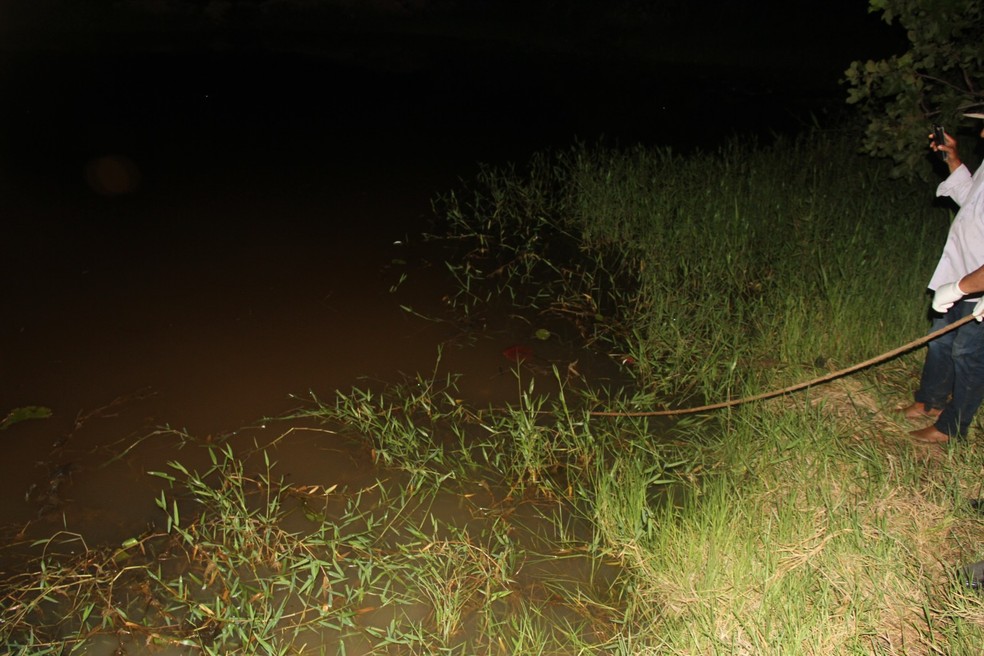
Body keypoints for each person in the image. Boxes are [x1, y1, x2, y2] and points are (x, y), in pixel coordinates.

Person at [902, 106, 984, 443]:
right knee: (942, 339)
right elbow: (972, 202)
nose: (981, 134)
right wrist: (952, 159)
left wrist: (961, 288)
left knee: (968, 352)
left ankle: (951, 429)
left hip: (976, 282)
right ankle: (931, 402)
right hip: (963, 270)